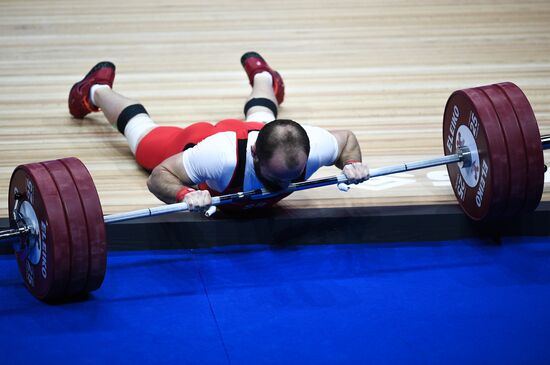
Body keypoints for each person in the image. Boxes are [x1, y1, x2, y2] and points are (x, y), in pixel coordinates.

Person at [68, 52, 370, 212]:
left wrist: (351, 163)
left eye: (292, 175)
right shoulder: (218, 158)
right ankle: (95, 90)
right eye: (276, 177)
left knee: (265, 120)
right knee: (145, 141)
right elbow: (158, 177)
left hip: (258, 133)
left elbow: (347, 140)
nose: (283, 186)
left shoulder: (311, 146)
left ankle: (265, 77)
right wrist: (184, 193)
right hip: (202, 140)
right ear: (255, 154)